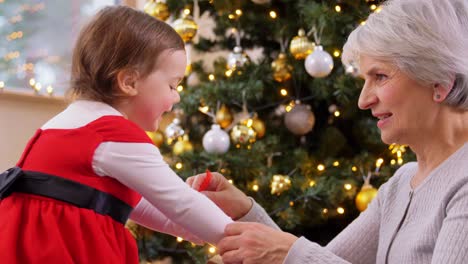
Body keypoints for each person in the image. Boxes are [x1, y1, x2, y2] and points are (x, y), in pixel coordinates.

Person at [188, 0, 468, 263]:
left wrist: (288, 252)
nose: (363, 100)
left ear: (440, 82)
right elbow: (324, 259)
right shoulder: (402, 182)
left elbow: (302, 258)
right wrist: (246, 213)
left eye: (380, 76)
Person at [0, 6, 232, 264]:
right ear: (129, 83)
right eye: (172, 85)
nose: (176, 96)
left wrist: (196, 229)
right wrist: (238, 236)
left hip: (25, 246)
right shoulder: (113, 134)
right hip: (67, 248)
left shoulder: (66, 123)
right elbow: (181, 201)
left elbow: (139, 203)